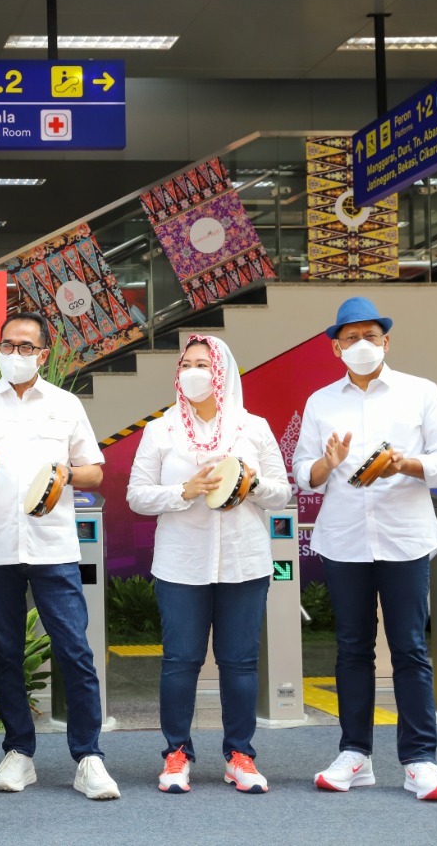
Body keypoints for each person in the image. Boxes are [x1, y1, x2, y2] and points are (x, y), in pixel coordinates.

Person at [0, 310, 119, 800]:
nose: (14, 354)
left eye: (24, 347)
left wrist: (65, 473)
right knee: (5, 654)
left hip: (53, 549)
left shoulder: (65, 406)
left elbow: (95, 473)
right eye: (6, 345)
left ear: (43, 353)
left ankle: (88, 757)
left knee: (75, 652)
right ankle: (19, 751)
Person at [292, 297, 437, 801]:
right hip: (344, 539)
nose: (361, 345)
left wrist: (402, 465)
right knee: (351, 648)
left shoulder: (421, 392)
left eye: (370, 335)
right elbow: (304, 474)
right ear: (336, 348)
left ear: (387, 341)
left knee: (409, 647)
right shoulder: (321, 401)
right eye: (350, 337)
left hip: (405, 537)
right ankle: (355, 754)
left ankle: (420, 761)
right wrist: (328, 461)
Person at [127, 335, 292, 794]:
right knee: (180, 661)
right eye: (187, 364)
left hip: (245, 560)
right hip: (181, 563)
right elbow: (137, 496)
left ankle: (240, 755)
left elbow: (283, 492)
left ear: (223, 371)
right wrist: (184, 491)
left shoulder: (251, 427)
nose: (193, 372)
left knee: (240, 663)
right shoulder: (160, 430)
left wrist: (253, 484)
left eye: (204, 363)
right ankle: (176, 753)